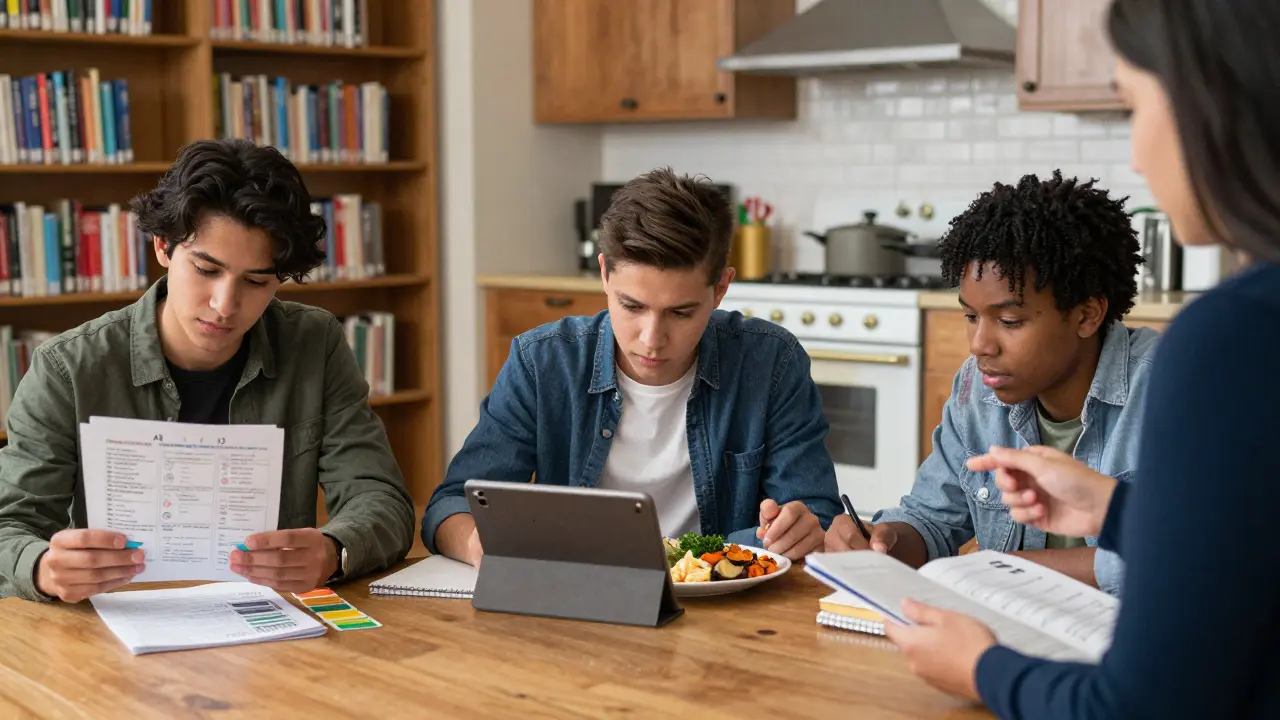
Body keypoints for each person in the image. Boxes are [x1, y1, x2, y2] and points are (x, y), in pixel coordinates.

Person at [881, 1, 1280, 717]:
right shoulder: (984, 392)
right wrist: (1119, 509)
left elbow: (1146, 702)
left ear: (1208, 105)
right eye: (973, 318)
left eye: (1134, 106)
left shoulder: (1231, 341)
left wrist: (981, 666)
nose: (1134, 153)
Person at [0, 139, 415, 603]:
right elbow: (9, 525)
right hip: (113, 628)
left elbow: (381, 500)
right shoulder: (68, 368)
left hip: (267, 624)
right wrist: (41, 568)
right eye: (205, 269)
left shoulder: (315, 344)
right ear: (163, 246)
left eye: (256, 282)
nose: (224, 306)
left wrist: (332, 550)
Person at [426, 168, 841, 566]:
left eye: (680, 313)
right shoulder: (543, 362)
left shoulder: (771, 364)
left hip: (727, 609)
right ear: (604, 273)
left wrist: (797, 530)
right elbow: (450, 505)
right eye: (632, 306)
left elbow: (815, 514)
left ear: (720, 289)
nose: (651, 338)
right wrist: (479, 543)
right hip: (576, 602)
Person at [826, 170, 1153, 596]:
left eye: (1010, 321)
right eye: (970, 316)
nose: (980, 345)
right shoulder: (977, 388)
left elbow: (1185, 553)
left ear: (1086, 315)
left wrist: (1004, 569)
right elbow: (932, 519)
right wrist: (883, 541)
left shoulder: (1168, 388)